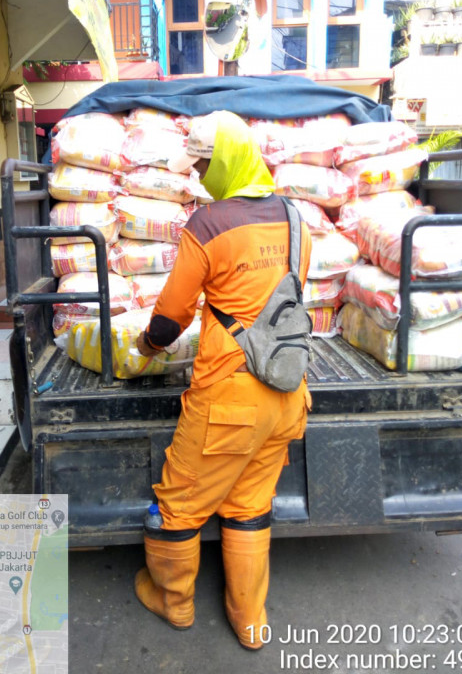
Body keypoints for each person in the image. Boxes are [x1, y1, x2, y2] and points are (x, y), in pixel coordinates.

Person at [134, 110, 312, 650]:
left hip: (228, 401)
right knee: (249, 506)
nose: (201, 175)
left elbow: (169, 319)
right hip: (286, 393)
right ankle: (250, 621)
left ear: (228, 159)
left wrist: (144, 348)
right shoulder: (296, 217)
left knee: (180, 503)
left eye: (206, 164)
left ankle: (173, 601)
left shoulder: (208, 224)